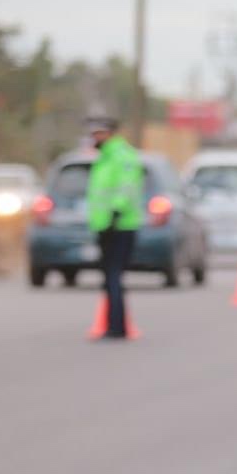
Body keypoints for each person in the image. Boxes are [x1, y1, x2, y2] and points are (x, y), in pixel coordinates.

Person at [85, 117, 144, 340]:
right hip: (105, 224)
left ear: (110, 133)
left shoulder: (122, 156)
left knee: (113, 276)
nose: (95, 138)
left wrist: (115, 213)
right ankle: (114, 323)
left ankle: (117, 327)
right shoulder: (104, 158)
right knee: (109, 278)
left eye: (99, 134)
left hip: (120, 225)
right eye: (93, 134)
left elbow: (127, 187)